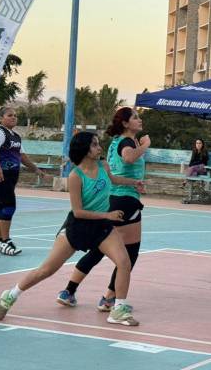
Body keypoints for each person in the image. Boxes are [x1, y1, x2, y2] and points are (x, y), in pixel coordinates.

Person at [0, 132, 142, 326]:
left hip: (102, 227)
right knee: (46, 270)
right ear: (86, 150)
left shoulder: (103, 166)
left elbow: (113, 179)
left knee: (124, 262)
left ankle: (119, 309)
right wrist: (107, 215)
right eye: (95, 145)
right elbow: (78, 212)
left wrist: (134, 182)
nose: (99, 148)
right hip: (78, 227)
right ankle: (10, 295)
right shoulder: (75, 176)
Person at [56, 108, 148, 311]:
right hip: (125, 200)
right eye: (135, 117)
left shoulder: (116, 140)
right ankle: (109, 298)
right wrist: (144, 147)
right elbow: (128, 158)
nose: (139, 120)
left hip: (113, 197)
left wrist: (134, 181)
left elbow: (115, 171)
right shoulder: (127, 142)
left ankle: (69, 290)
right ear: (125, 123)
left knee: (100, 249)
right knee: (129, 253)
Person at [0, 107, 46, 256]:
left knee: (2, 207)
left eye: (15, 115)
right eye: (10, 115)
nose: (13, 117)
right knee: (9, 206)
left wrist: (36, 169)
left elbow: (22, 157)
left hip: (11, 176)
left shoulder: (16, 136)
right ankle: (7, 242)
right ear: (1, 118)